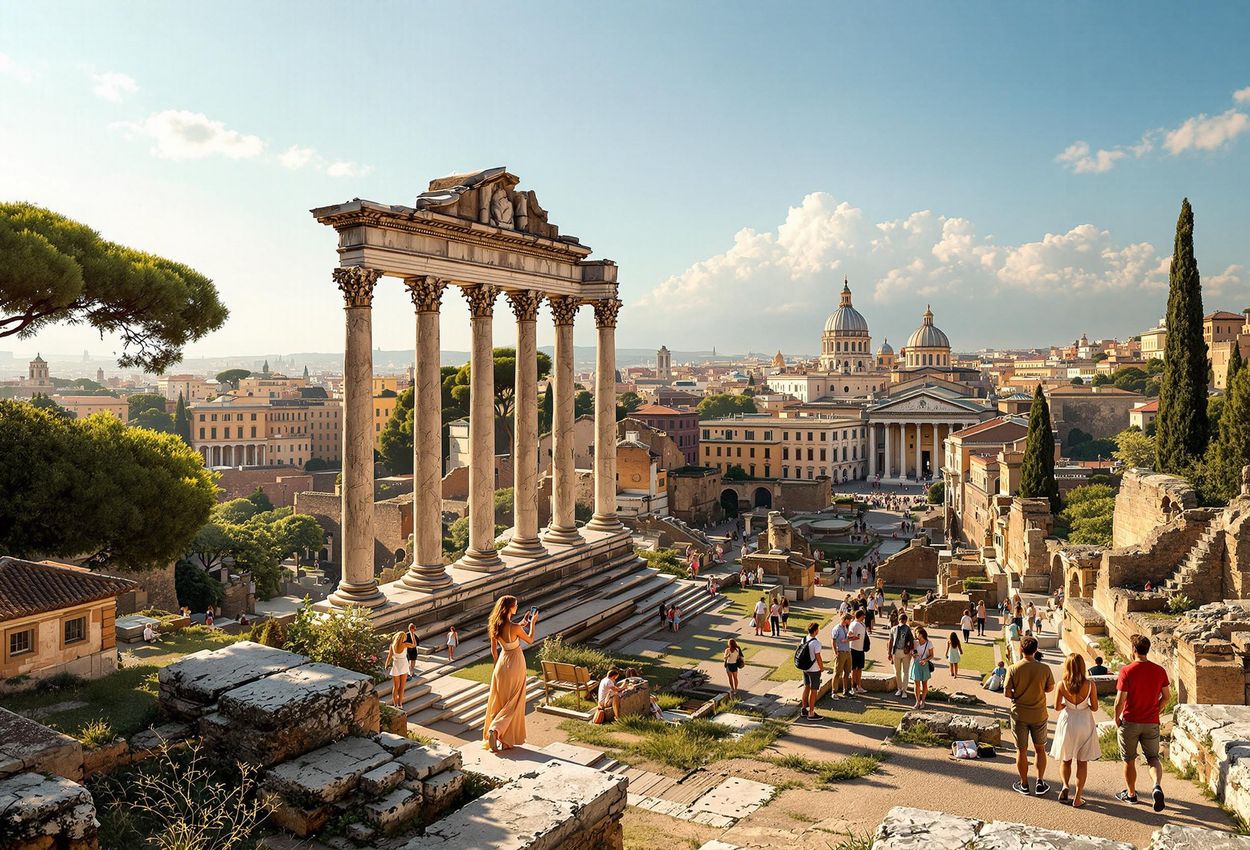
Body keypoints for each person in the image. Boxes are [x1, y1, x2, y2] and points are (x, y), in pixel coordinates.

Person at [1114, 634, 1170, 811]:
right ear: (1147, 650)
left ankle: (1131, 794)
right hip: (1151, 722)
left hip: (1130, 721)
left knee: (1129, 760)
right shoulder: (1159, 671)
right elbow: (1166, 697)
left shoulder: (1126, 671)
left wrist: (1117, 717)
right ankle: (1156, 786)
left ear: (1133, 650)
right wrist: (1156, 710)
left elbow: (1120, 700)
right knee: (1153, 758)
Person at [483, 595, 538, 752]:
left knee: (501, 701)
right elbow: (530, 639)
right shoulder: (515, 628)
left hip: (501, 664)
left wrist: (496, 665)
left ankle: (505, 740)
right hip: (515, 663)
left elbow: (494, 650)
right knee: (514, 702)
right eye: (516, 605)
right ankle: (496, 730)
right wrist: (532, 623)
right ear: (509, 608)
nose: (517, 607)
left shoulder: (495, 625)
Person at [1004, 636, 1055, 796]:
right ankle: (1040, 782)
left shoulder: (1013, 668)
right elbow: (1050, 688)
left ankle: (1024, 784)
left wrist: (1017, 695)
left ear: (1021, 649)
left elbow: (1007, 692)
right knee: (1040, 749)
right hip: (1039, 713)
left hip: (1019, 714)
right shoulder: (1044, 668)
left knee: (1022, 750)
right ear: (1036, 650)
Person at [1051, 653, 1100, 808]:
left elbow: (1057, 707)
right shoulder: (1090, 684)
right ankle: (1078, 798)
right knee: (1082, 762)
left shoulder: (1061, 684)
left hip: (1068, 721)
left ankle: (1065, 785)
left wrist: (1068, 705)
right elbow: (1095, 707)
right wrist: (1085, 705)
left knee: (1066, 759)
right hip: (1084, 721)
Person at [798, 622, 825, 722]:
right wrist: (821, 668)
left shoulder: (804, 639)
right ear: (815, 631)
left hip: (805, 668)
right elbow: (818, 657)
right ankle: (811, 713)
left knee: (806, 687)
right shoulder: (816, 643)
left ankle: (804, 709)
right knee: (814, 690)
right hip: (814, 669)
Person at [383, 631, 413, 708]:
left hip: (396, 665)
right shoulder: (405, 645)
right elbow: (414, 645)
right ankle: (400, 704)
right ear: (403, 638)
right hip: (404, 665)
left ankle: (395, 704)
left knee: (395, 687)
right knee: (402, 687)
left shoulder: (392, 645)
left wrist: (386, 665)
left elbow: (389, 656)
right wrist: (412, 634)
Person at [888, 613, 914, 698]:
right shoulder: (893, 629)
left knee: (905, 672)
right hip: (896, 651)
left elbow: (911, 640)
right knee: (897, 671)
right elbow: (890, 641)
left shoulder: (907, 629)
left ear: (905, 620)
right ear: (899, 620)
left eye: (903, 619)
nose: (902, 621)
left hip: (905, 652)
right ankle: (900, 688)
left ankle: (904, 690)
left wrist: (910, 649)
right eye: (901, 619)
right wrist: (889, 653)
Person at [909, 626, 934, 707]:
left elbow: (931, 655)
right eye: (916, 634)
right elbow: (911, 651)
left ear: (922, 634)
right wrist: (913, 654)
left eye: (918, 634)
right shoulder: (915, 642)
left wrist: (925, 660)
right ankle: (917, 701)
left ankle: (923, 701)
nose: (916, 635)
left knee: (924, 683)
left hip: (924, 664)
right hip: (916, 664)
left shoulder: (929, 643)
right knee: (916, 683)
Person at [831, 613, 853, 697]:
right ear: (845, 620)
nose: (850, 622)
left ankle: (845, 690)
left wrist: (850, 637)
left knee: (847, 672)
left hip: (847, 651)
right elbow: (833, 641)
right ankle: (834, 691)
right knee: (837, 672)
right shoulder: (837, 628)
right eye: (849, 620)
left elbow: (845, 638)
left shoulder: (845, 628)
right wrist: (835, 652)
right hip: (840, 651)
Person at [849, 609, 868, 694]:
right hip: (854, 649)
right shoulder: (854, 624)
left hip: (860, 649)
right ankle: (853, 687)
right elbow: (850, 634)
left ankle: (859, 686)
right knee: (854, 669)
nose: (864, 617)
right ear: (860, 616)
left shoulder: (862, 624)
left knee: (859, 668)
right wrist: (853, 637)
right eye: (863, 615)